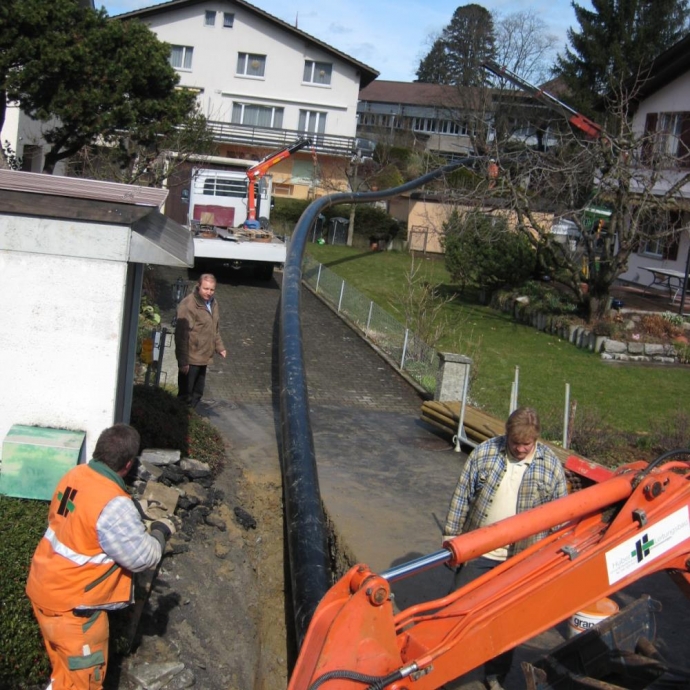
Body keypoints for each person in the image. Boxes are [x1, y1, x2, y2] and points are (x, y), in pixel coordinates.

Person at [26, 424, 174, 690]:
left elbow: (86, 525)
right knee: (83, 683)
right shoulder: (113, 505)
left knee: (63, 677)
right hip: (74, 613)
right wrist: (161, 532)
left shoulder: (76, 474)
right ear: (129, 464)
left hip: (44, 590)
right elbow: (144, 557)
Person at [443, 407, 567, 690]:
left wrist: (558, 556)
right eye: (516, 444)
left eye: (527, 445)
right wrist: (452, 538)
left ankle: (495, 675)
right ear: (506, 437)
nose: (521, 450)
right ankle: (441, 667)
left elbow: (561, 515)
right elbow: (462, 496)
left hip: (522, 558)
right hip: (480, 551)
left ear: (536, 440)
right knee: (456, 609)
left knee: (506, 622)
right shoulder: (486, 454)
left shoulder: (549, 466)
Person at [174, 273, 227, 408]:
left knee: (197, 393)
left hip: (204, 356)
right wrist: (183, 361)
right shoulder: (189, 304)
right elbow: (181, 335)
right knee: (186, 395)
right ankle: (181, 421)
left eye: (212, 289)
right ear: (199, 286)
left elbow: (215, 328)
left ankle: (192, 418)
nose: (209, 292)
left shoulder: (213, 303)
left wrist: (219, 347)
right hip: (191, 358)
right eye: (206, 289)